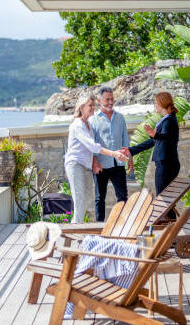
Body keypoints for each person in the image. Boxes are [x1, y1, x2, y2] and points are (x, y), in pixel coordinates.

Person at [64, 95, 128, 224]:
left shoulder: (87, 124)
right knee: (79, 200)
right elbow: (93, 146)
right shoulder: (77, 125)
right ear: (81, 107)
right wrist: (114, 154)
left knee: (85, 199)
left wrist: (95, 162)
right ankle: (76, 232)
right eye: (90, 105)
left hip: (85, 166)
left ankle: (77, 229)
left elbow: (90, 147)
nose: (93, 108)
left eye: (94, 105)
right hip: (75, 164)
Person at [122, 91, 180, 208]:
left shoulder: (170, 121)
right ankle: (168, 222)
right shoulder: (165, 120)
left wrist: (155, 135)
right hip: (163, 163)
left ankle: (168, 223)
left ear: (162, 103)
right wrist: (131, 150)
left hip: (167, 164)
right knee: (163, 196)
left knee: (163, 197)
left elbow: (169, 138)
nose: (155, 106)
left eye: (156, 103)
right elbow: (153, 141)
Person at [89, 87, 133, 221]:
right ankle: (99, 227)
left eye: (112, 99)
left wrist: (130, 159)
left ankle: (123, 225)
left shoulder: (120, 118)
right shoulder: (93, 120)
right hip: (101, 165)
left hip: (118, 164)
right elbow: (92, 144)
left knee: (122, 197)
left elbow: (125, 139)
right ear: (99, 100)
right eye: (107, 99)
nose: (110, 102)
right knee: (99, 197)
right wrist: (94, 162)